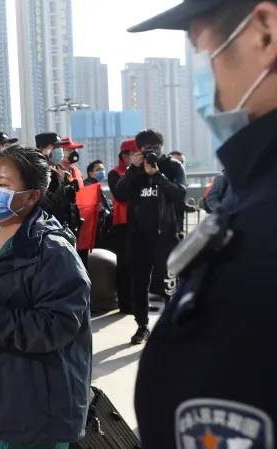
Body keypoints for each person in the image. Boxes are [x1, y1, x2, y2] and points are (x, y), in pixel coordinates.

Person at [129, 2, 277, 447]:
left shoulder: (259, 235)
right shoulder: (254, 196)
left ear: (264, 33)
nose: (202, 72)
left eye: (200, 46)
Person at [0, 144, 91, 448]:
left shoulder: (52, 251)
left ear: (32, 196)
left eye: (3, 185)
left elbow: (59, 323)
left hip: (28, 407)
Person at [113, 128, 186, 344]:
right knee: (139, 283)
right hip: (139, 236)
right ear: (139, 150)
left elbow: (180, 193)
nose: (152, 152)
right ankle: (142, 326)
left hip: (167, 234)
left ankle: (171, 326)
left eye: (156, 148)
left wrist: (158, 176)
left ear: (162, 147)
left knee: (170, 281)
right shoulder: (135, 170)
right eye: (147, 149)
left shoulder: (173, 166)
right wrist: (133, 170)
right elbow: (119, 194)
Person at [34, 132, 82, 245]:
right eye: (55, 147)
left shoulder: (63, 174)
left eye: (60, 147)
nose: (59, 150)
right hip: (46, 233)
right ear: (42, 149)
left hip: (65, 228)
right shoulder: (36, 173)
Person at [107, 140, 136, 314]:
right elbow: (121, 195)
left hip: (141, 222)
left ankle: (139, 301)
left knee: (140, 264)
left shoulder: (145, 173)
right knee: (125, 264)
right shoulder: (114, 174)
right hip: (123, 223)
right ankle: (125, 303)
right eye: (133, 153)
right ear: (124, 156)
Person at [85, 160, 113, 249]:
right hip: (94, 227)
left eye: (103, 169)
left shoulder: (96, 184)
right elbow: (95, 204)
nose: (102, 171)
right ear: (91, 173)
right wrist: (105, 211)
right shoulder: (89, 185)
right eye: (98, 169)